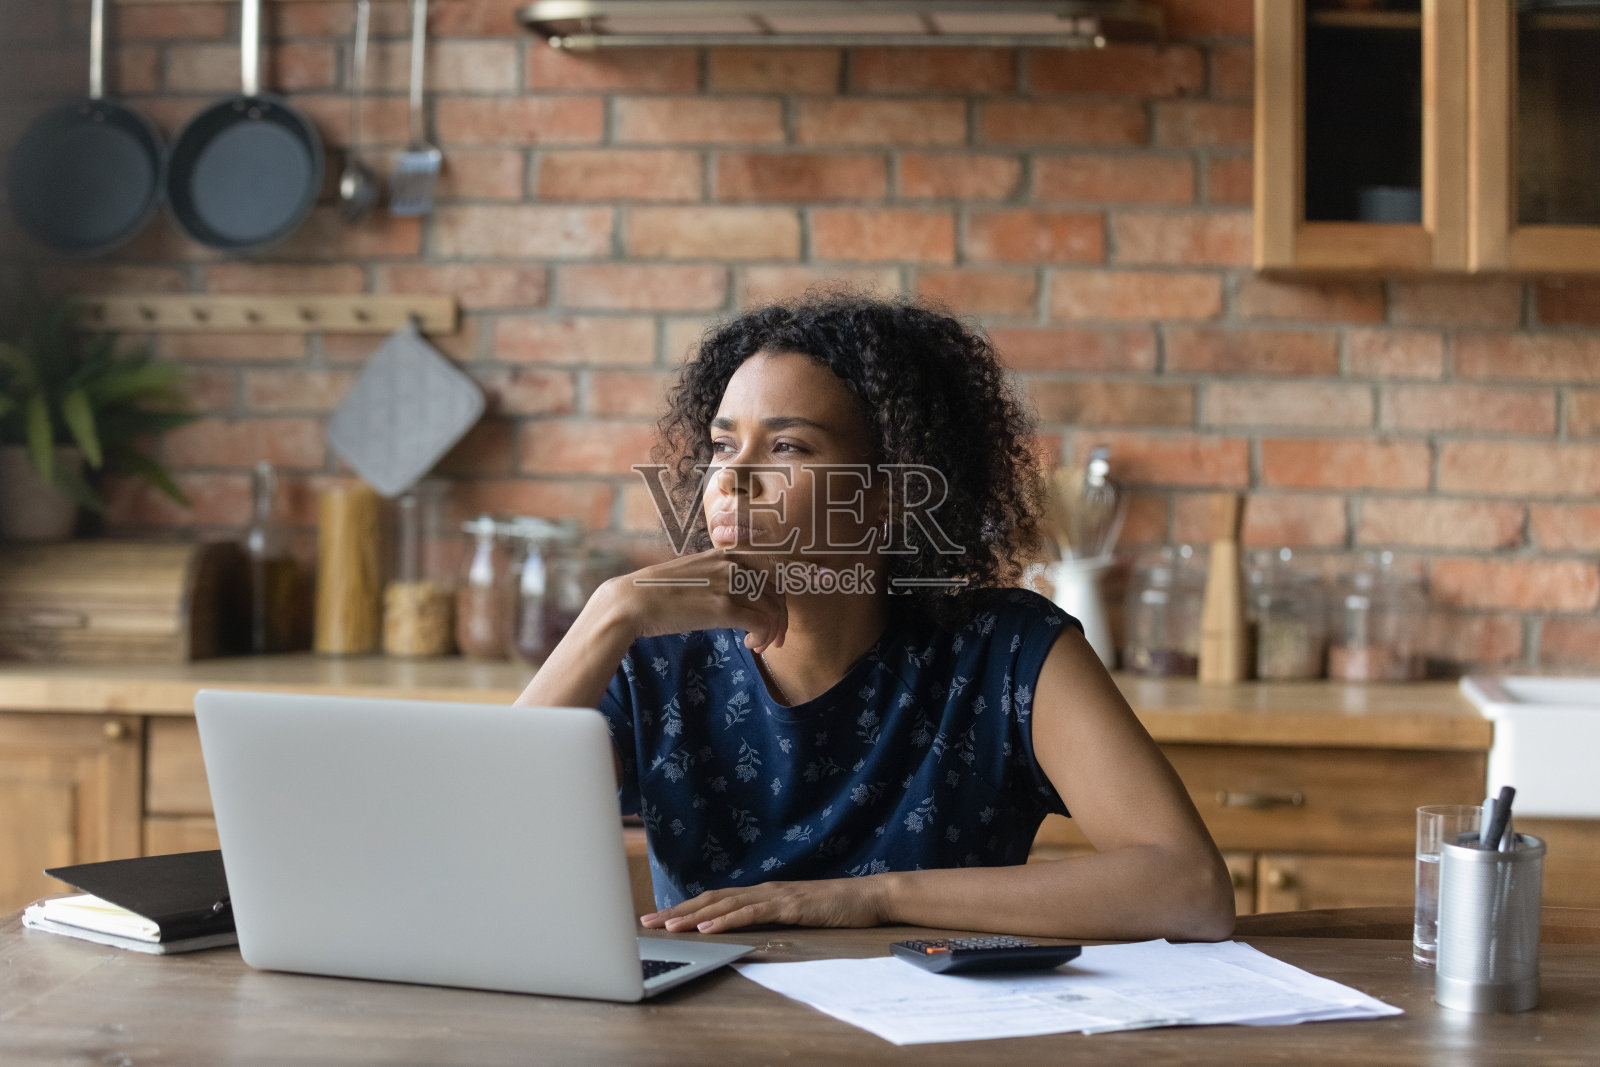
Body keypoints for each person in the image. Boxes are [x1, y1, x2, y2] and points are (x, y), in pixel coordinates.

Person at [516, 293, 1234, 942]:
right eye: (723, 444)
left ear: (889, 494)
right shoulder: (650, 656)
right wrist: (610, 613)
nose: (730, 481)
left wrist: (874, 896)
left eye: (788, 446)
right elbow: (476, 839)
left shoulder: (1010, 653)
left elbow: (1188, 889)